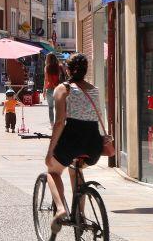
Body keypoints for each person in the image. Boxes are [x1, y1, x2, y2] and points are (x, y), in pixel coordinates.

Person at [44, 54, 104, 237]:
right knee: (76, 169)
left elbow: (60, 122)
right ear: (86, 71)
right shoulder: (95, 90)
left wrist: (50, 150)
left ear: (67, 70)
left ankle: (61, 209)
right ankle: (81, 215)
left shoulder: (63, 89)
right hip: (93, 143)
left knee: (52, 171)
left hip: (72, 140)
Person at [44, 53, 62, 125]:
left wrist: (44, 90)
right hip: (58, 89)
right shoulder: (58, 67)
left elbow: (46, 79)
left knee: (50, 107)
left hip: (50, 89)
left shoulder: (46, 67)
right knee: (57, 108)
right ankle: (58, 124)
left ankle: (52, 124)